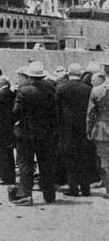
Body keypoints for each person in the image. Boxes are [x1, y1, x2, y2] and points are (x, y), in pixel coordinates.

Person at [10, 61, 57, 205]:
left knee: (26, 165)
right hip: (46, 133)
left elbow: (16, 112)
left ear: (30, 77)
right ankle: (49, 195)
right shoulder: (51, 89)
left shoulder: (24, 91)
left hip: (26, 134)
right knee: (46, 165)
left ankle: (26, 195)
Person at [56, 63, 95, 197]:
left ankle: (73, 187)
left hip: (66, 128)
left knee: (70, 159)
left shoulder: (61, 88)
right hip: (84, 128)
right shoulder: (88, 89)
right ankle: (86, 188)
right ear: (80, 74)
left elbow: (57, 110)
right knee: (83, 158)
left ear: (69, 73)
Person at [87, 71, 109, 199]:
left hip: (103, 128)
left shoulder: (96, 90)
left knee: (105, 160)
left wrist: (89, 130)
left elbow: (90, 114)